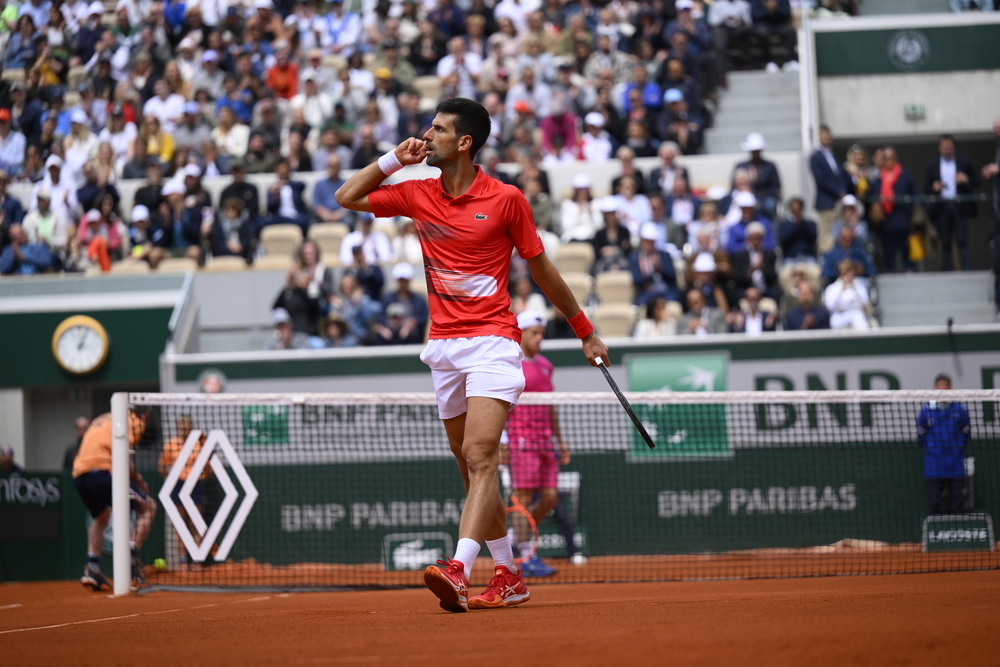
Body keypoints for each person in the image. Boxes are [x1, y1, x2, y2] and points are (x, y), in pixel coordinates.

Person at [334, 97, 607, 612]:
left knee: (482, 456)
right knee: (470, 468)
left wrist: (585, 331)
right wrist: (394, 159)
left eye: (437, 130)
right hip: (443, 348)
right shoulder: (416, 193)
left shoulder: (506, 200)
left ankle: (458, 568)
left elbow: (542, 271)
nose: (426, 135)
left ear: (464, 142)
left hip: (492, 342)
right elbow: (346, 196)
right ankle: (508, 573)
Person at [501, 309, 573, 577]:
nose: (540, 338)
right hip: (521, 443)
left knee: (550, 498)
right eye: (534, 333)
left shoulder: (546, 365)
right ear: (520, 335)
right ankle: (526, 554)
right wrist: (502, 442)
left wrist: (561, 442)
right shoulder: (510, 365)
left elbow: (551, 407)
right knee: (522, 500)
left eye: (542, 333)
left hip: (546, 444)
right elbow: (499, 408)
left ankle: (514, 538)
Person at [72, 409, 157, 591]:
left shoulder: (105, 417)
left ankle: (92, 568)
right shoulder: (133, 421)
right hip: (103, 472)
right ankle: (130, 556)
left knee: (101, 516)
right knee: (149, 507)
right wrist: (138, 480)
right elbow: (123, 457)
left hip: (79, 475)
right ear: (143, 416)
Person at [158, 415, 210, 569]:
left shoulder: (199, 444)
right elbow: (162, 467)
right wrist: (173, 479)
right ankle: (182, 561)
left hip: (197, 484)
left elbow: (209, 467)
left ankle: (197, 559)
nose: (185, 431)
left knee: (196, 523)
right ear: (178, 428)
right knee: (180, 524)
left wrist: (202, 477)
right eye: (182, 428)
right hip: (178, 485)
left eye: (187, 427)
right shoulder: (171, 444)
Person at [924, 135, 979, 272]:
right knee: (945, 241)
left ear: (954, 146)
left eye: (949, 145)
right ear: (940, 147)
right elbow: (926, 187)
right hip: (942, 206)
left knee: (962, 240)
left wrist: (965, 179)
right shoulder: (933, 164)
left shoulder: (963, 162)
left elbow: (976, 181)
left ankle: (966, 269)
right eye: (944, 145)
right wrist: (934, 187)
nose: (947, 148)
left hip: (960, 205)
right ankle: (948, 270)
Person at [917, 374, 970, 515]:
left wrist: (956, 450)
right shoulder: (926, 411)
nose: (943, 389)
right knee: (934, 503)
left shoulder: (959, 410)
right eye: (940, 386)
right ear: (935, 388)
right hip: (934, 464)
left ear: (950, 388)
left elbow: (966, 435)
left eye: (946, 386)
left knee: (957, 503)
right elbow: (921, 436)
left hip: (955, 463)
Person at [869, 146, 918, 273]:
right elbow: (873, 195)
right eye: (886, 158)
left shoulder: (905, 174)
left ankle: (909, 270)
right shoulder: (879, 177)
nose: (889, 160)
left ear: (896, 158)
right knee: (888, 250)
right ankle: (889, 271)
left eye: (891, 157)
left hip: (904, 218)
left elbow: (915, 194)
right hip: (886, 220)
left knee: (905, 248)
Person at [809, 125, 851, 254]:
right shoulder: (815, 157)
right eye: (823, 135)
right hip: (826, 202)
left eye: (827, 134)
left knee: (839, 233)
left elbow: (840, 176)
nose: (826, 137)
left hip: (839, 203)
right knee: (826, 235)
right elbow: (821, 180)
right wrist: (839, 192)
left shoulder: (832, 155)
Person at [733, 132, 781, 221]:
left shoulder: (770, 166)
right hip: (744, 196)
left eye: (757, 150)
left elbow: (776, 186)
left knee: (769, 205)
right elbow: (733, 185)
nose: (755, 153)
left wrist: (762, 191)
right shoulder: (741, 166)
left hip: (764, 197)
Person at [823, 259, 870, 330]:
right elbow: (830, 307)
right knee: (834, 321)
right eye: (844, 272)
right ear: (839, 273)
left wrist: (854, 288)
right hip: (839, 315)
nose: (847, 275)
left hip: (856, 313)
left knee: (858, 317)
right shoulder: (832, 288)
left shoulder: (859, 286)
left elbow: (864, 304)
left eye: (849, 271)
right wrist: (841, 289)